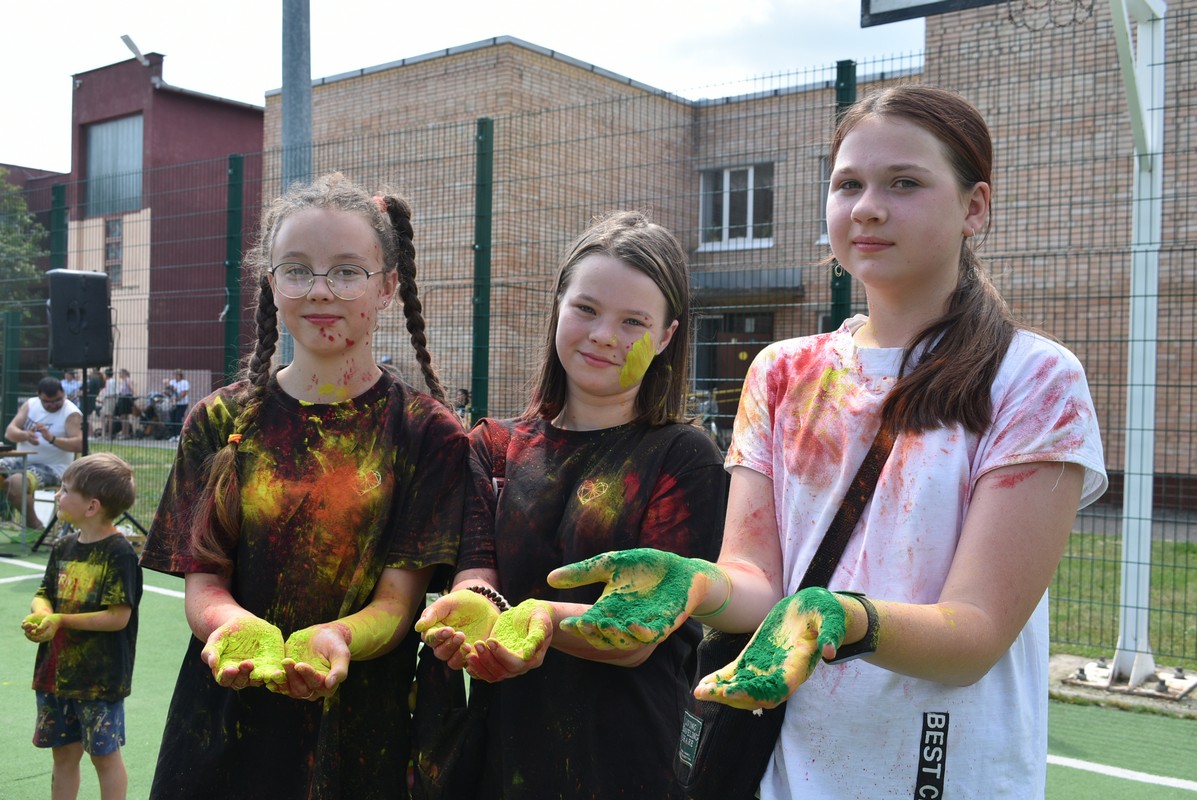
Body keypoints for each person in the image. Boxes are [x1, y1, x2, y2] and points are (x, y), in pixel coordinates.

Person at [547, 86, 1108, 799]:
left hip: (943, 770)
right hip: (779, 764)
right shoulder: (781, 371)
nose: (867, 206)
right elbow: (758, 585)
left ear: (974, 208)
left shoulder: (1035, 379)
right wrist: (696, 583)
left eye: (903, 183)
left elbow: (974, 635)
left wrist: (839, 617)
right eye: (847, 183)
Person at [138, 172, 467, 799]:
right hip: (224, 727)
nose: (320, 291)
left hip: (360, 734)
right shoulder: (217, 421)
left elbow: (400, 605)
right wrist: (232, 626)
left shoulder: (429, 434)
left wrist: (338, 636)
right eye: (297, 270)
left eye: (347, 271)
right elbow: (205, 580)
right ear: (271, 283)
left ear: (389, 287)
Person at [415, 211, 726, 798]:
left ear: (665, 337)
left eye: (633, 321)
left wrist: (532, 623)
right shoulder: (494, 448)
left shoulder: (685, 458)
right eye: (586, 308)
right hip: (498, 762)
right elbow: (478, 577)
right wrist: (470, 615)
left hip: (626, 767)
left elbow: (636, 636)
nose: (605, 335)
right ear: (558, 306)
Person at [22, 452, 141, 800]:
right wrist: (43, 614)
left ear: (91, 506)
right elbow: (44, 594)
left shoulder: (120, 553)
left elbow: (118, 617)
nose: (58, 495)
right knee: (64, 755)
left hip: (98, 680)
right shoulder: (62, 546)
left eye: (64, 489)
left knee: (104, 757)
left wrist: (60, 621)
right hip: (55, 674)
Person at [1, 376, 83, 530]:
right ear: (39, 397)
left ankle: (35, 527)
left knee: (15, 483)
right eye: (47, 402)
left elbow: (80, 444)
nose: (53, 405)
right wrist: (26, 435)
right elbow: (10, 432)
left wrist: (51, 439)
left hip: (53, 467)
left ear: (63, 394)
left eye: (58, 400)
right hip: (22, 459)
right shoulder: (30, 405)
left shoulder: (71, 413)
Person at [112, 369, 136, 439]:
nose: (119, 375)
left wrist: (134, 395)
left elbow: (132, 388)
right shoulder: (122, 381)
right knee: (123, 417)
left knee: (124, 416)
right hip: (122, 398)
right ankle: (124, 433)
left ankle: (125, 433)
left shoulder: (127, 380)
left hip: (125, 399)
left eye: (120, 373)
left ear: (124, 373)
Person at [167, 369, 190, 437]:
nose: (176, 376)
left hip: (182, 404)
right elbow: (169, 392)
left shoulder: (184, 382)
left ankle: (178, 435)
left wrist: (176, 399)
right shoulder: (172, 382)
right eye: (175, 374)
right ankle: (173, 435)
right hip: (173, 404)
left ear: (180, 375)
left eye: (177, 374)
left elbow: (184, 394)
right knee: (172, 419)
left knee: (178, 419)